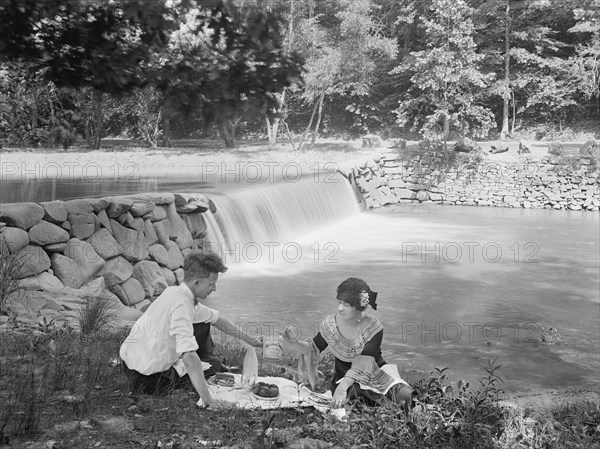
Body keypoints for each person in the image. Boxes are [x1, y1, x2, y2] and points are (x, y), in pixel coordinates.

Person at [119, 251, 262, 407]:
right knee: (212, 364)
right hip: (147, 379)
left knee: (205, 324)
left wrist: (251, 340)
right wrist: (210, 401)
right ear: (196, 283)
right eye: (211, 284)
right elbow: (189, 358)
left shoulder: (174, 292)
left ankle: (206, 364)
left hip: (128, 364)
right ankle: (199, 376)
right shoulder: (182, 306)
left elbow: (217, 320)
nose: (214, 289)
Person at [281, 277, 415, 410]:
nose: (340, 308)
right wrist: (294, 342)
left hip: (375, 375)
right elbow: (313, 348)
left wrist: (343, 387)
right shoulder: (331, 324)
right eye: (339, 302)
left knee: (405, 395)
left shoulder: (373, 327)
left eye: (346, 304)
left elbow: (363, 363)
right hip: (344, 380)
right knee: (355, 395)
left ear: (359, 307)